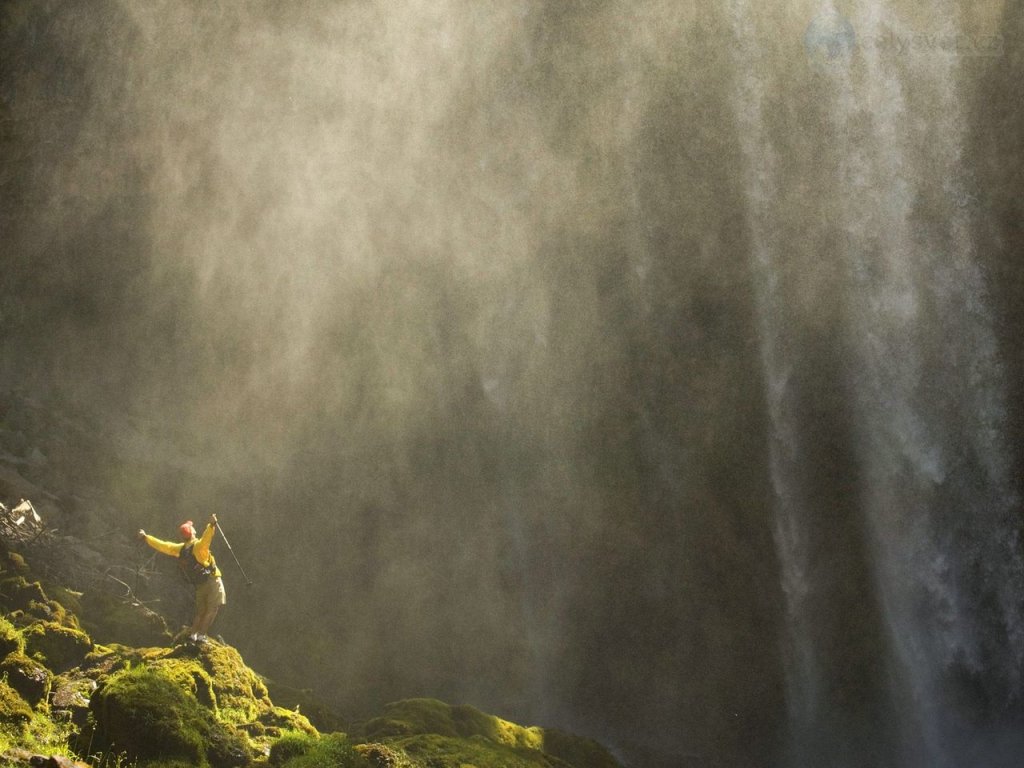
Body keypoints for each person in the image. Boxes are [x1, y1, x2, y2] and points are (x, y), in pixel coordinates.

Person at [138, 514, 226, 644]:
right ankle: (201, 636)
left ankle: (193, 636)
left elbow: (163, 545)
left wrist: (146, 537)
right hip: (212, 580)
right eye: (192, 527)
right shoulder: (198, 547)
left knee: (200, 611)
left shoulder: (180, 549)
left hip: (199, 583)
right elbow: (206, 539)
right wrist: (211, 525)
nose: (194, 528)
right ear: (192, 533)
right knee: (212, 609)